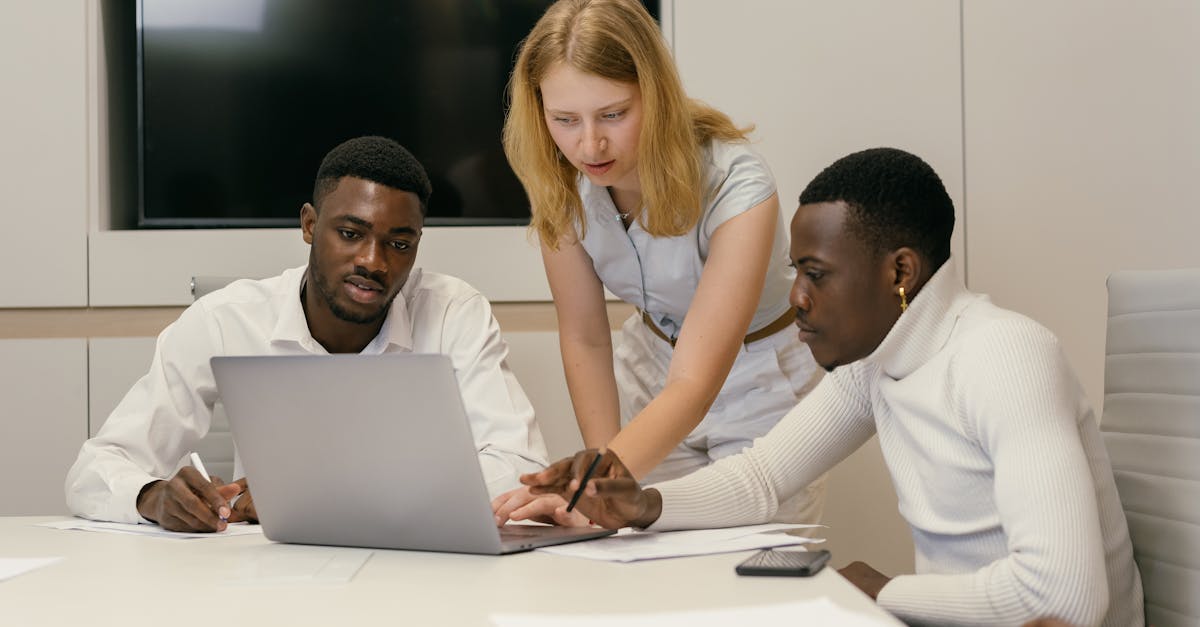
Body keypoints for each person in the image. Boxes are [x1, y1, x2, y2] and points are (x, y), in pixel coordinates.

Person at [523, 148, 1144, 626]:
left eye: (816, 275)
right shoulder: (878, 363)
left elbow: (1065, 598)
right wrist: (645, 504)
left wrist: (884, 591)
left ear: (900, 270)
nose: (795, 299)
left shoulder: (1003, 355)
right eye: (797, 273)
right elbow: (762, 477)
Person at [65, 136, 549, 532]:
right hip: (263, 576)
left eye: (399, 244)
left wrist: (322, 489)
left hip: (416, 571)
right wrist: (151, 497)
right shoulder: (225, 319)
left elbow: (519, 466)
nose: (373, 261)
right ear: (309, 225)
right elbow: (94, 470)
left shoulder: (453, 313)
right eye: (350, 233)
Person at [492, 0, 825, 526]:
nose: (589, 143)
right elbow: (586, 336)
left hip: (760, 375)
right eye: (565, 120)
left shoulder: (737, 184)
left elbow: (694, 381)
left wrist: (596, 483)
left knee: (756, 575)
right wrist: (598, 485)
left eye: (613, 114)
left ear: (657, 94)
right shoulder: (561, 183)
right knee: (642, 558)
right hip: (650, 363)